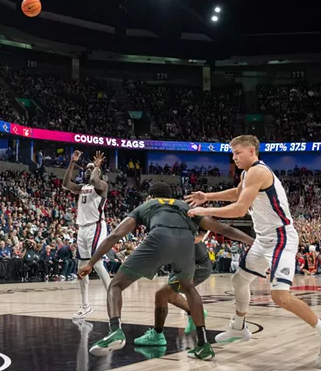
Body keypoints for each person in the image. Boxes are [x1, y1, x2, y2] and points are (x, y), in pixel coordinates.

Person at [186, 135, 321, 369]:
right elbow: (238, 193)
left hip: (281, 237)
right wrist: (208, 196)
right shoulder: (247, 173)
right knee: (239, 280)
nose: (234, 157)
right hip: (264, 238)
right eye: (233, 154)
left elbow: (240, 209)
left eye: (237, 153)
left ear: (251, 151)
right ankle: (239, 328)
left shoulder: (259, 171)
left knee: (280, 296)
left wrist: (203, 210)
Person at [79, 182, 220, 360]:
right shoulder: (180, 210)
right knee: (162, 295)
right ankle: (166, 333)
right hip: (186, 260)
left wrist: (91, 262)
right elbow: (214, 227)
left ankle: (190, 316)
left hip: (199, 264)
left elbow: (115, 234)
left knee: (165, 294)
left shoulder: (170, 212)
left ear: (150, 198)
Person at [134, 225, 254, 350]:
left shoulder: (173, 224)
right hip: (187, 264)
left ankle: (158, 335)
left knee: (161, 295)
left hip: (196, 266)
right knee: (171, 294)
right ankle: (192, 313)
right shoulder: (171, 223)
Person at [63, 150, 112, 319]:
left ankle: (112, 296)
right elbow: (65, 183)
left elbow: (93, 179)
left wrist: (97, 166)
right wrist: (72, 162)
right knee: (80, 267)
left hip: (96, 226)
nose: (89, 170)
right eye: (88, 168)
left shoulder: (102, 185)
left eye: (92, 168)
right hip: (82, 228)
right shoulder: (83, 188)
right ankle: (85, 306)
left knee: (96, 263)